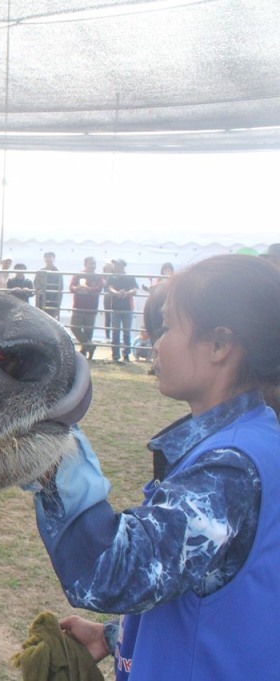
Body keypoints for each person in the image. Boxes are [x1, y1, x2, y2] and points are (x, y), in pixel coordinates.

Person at [30, 254, 280, 680]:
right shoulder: (252, 441)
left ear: (219, 345)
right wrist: (117, 637)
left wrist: (54, 447)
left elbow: (111, 572)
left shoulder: (230, 468)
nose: (154, 339)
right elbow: (210, 582)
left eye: (166, 327)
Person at [69, 256, 104, 360]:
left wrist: (88, 289)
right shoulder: (78, 275)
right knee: (74, 327)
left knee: (89, 330)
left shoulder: (98, 276)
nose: (93, 266)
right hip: (78, 305)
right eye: (91, 263)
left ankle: (85, 350)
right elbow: (71, 286)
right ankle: (89, 346)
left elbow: (99, 288)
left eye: (94, 263)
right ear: (85, 264)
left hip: (91, 306)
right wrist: (77, 288)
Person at [106, 259, 138, 362]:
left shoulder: (129, 277)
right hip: (115, 307)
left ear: (123, 266)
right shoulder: (112, 277)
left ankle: (126, 355)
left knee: (126, 332)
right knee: (116, 332)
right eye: (116, 265)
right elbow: (109, 288)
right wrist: (117, 293)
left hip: (127, 308)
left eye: (119, 265)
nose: (117, 267)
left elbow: (135, 290)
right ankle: (115, 355)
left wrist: (126, 293)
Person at [35, 251, 63, 320]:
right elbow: (36, 284)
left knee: (51, 320)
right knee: (40, 319)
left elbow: (60, 288)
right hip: (41, 299)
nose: (48, 259)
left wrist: (58, 305)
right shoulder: (41, 271)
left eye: (50, 257)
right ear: (44, 259)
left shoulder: (58, 272)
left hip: (53, 300)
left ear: (54, 259)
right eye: (46, 257)